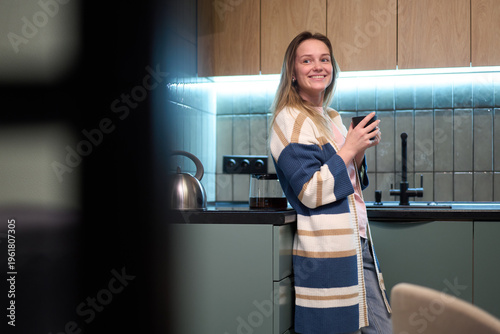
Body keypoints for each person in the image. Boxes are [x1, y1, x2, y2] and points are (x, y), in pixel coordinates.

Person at [269, 31, 392, 334]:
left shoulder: (330, 118)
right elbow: (310, 190)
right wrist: (349, 148)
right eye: (307, 60)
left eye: (324, 59)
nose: (318, 66)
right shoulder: (290, 119)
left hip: (356, 240)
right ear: (293, 72)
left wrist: (357, 151)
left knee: (379, 327)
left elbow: (348, 179)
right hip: (328, 247)